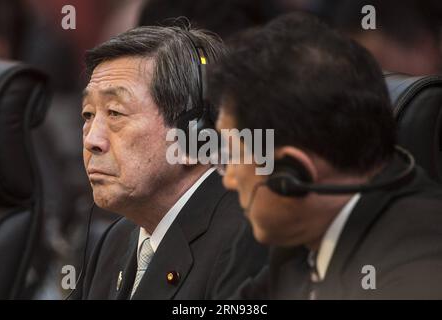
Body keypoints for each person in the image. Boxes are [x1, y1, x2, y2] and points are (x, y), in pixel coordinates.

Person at [209, 12, 442, 299]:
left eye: (233, 155)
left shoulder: (418, 262)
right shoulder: (303, 237)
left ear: (293, 171)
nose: (229, 179)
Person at [73, 25, 267, 299]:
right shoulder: (115, 240)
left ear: (193, 135)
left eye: (115, 112)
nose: (92, 140)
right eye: (88, 114)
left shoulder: (248, 241)